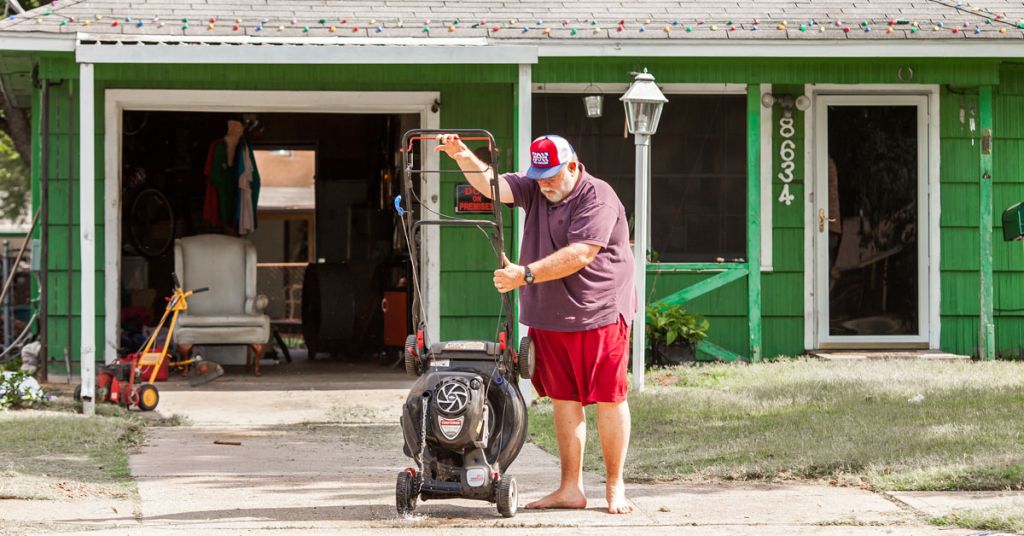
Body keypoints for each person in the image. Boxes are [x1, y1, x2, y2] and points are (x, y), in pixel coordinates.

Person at [435, 133, 637, 515]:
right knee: (564, 398)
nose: (543, 184)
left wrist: (524, 275)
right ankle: (570, 488)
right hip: (551, 313)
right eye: (538, 177)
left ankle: (615, 486)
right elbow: (492, 186)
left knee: (609, 398)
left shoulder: (598, 196)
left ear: (574, 167)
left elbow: (580, 254)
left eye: (552, 176)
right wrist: (463, 156)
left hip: (600, 311)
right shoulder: (536, 187)